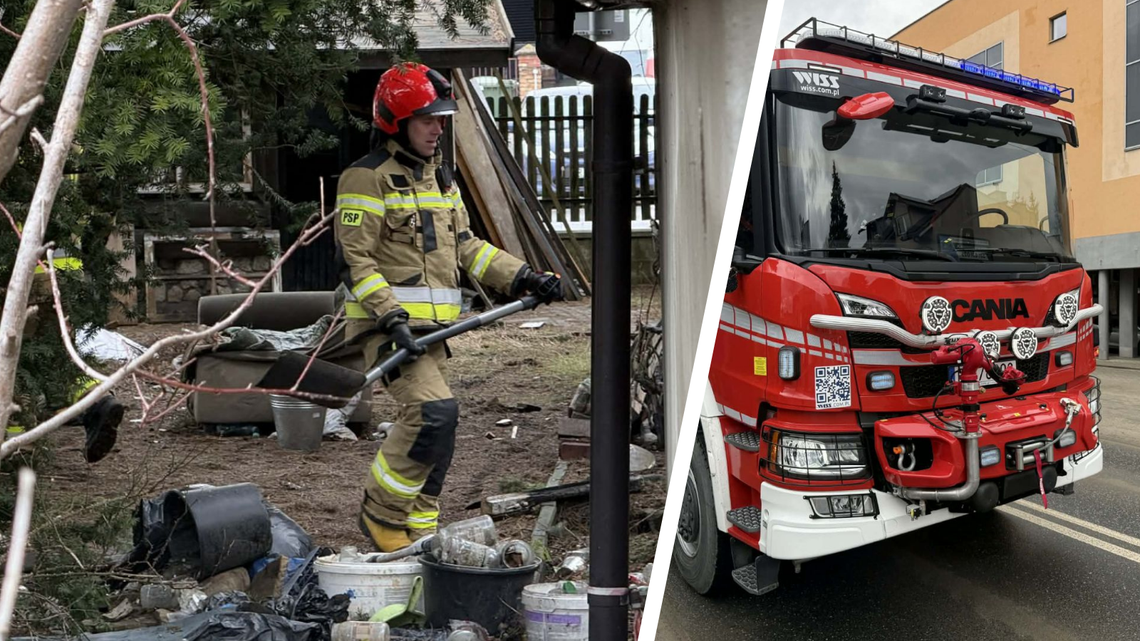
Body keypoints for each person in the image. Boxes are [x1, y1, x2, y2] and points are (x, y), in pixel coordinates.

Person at [334, 62, 562, 552]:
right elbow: (355, 260)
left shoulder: (439, 178)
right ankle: (382, 514)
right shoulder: (365, 178)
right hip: (388, 330)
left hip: (434, 332)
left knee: (442, 426)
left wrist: (524, 276)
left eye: (440, 119)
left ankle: (421, 525)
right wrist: (391, 316)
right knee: (432, 413)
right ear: (396, 123)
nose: (438, 128)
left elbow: (467, 248)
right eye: (427, 120)